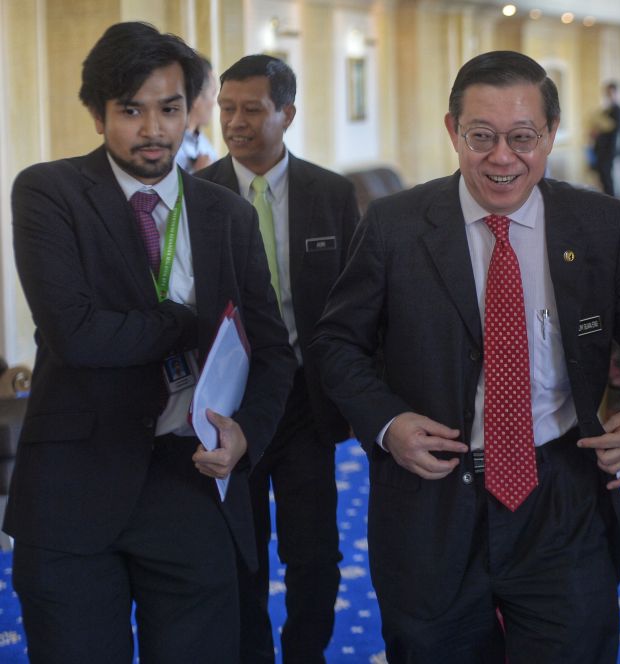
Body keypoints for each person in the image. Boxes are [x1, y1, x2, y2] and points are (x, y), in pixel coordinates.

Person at [310, 50, 620, 663]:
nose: (502, 157)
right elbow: (335, 343)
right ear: (453, 131)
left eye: (522, 137)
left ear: (551, 135)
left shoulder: (598, 224)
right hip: (432, 493)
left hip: (561, 489)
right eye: (481, 136)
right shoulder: (394, 226)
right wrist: (387, 423)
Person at [4, 21, 295, 663]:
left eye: (169, 108)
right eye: (130, 111)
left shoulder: (227, 215)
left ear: (189, 107)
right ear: (98, 113)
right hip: (75, 488)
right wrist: (190, 320)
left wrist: (247, 430)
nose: (154, 130)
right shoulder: (49, 193)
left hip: (190, 482)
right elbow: (76, 334)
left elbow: (271, 349)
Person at [198, 54, 359, 664]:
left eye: (252, 109)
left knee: (313, 551)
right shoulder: (200, 195)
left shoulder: (331, 194)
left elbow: (353, 303)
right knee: (244, 550)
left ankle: (305, 653)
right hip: (228, 407)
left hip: (304, 403)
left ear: (287, 113)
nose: (235, 122)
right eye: (226, 108)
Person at [175, 54, 218, 172]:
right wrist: (199, 176)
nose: (214, 103)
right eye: (213, 94)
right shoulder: (167, 146)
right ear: (196, 97)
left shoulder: (206, 146)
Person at [588, 81, 620, 197]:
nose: (609, 95)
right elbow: (596, 127)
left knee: (608, 180)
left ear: (617, 93)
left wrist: (601, 125)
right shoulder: (605, 111)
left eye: (611, 92)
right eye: (607, 93)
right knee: (602, 179)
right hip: (600, 150)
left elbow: (613, 127)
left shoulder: (619, 111)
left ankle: (613, 205)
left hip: (610, 150)